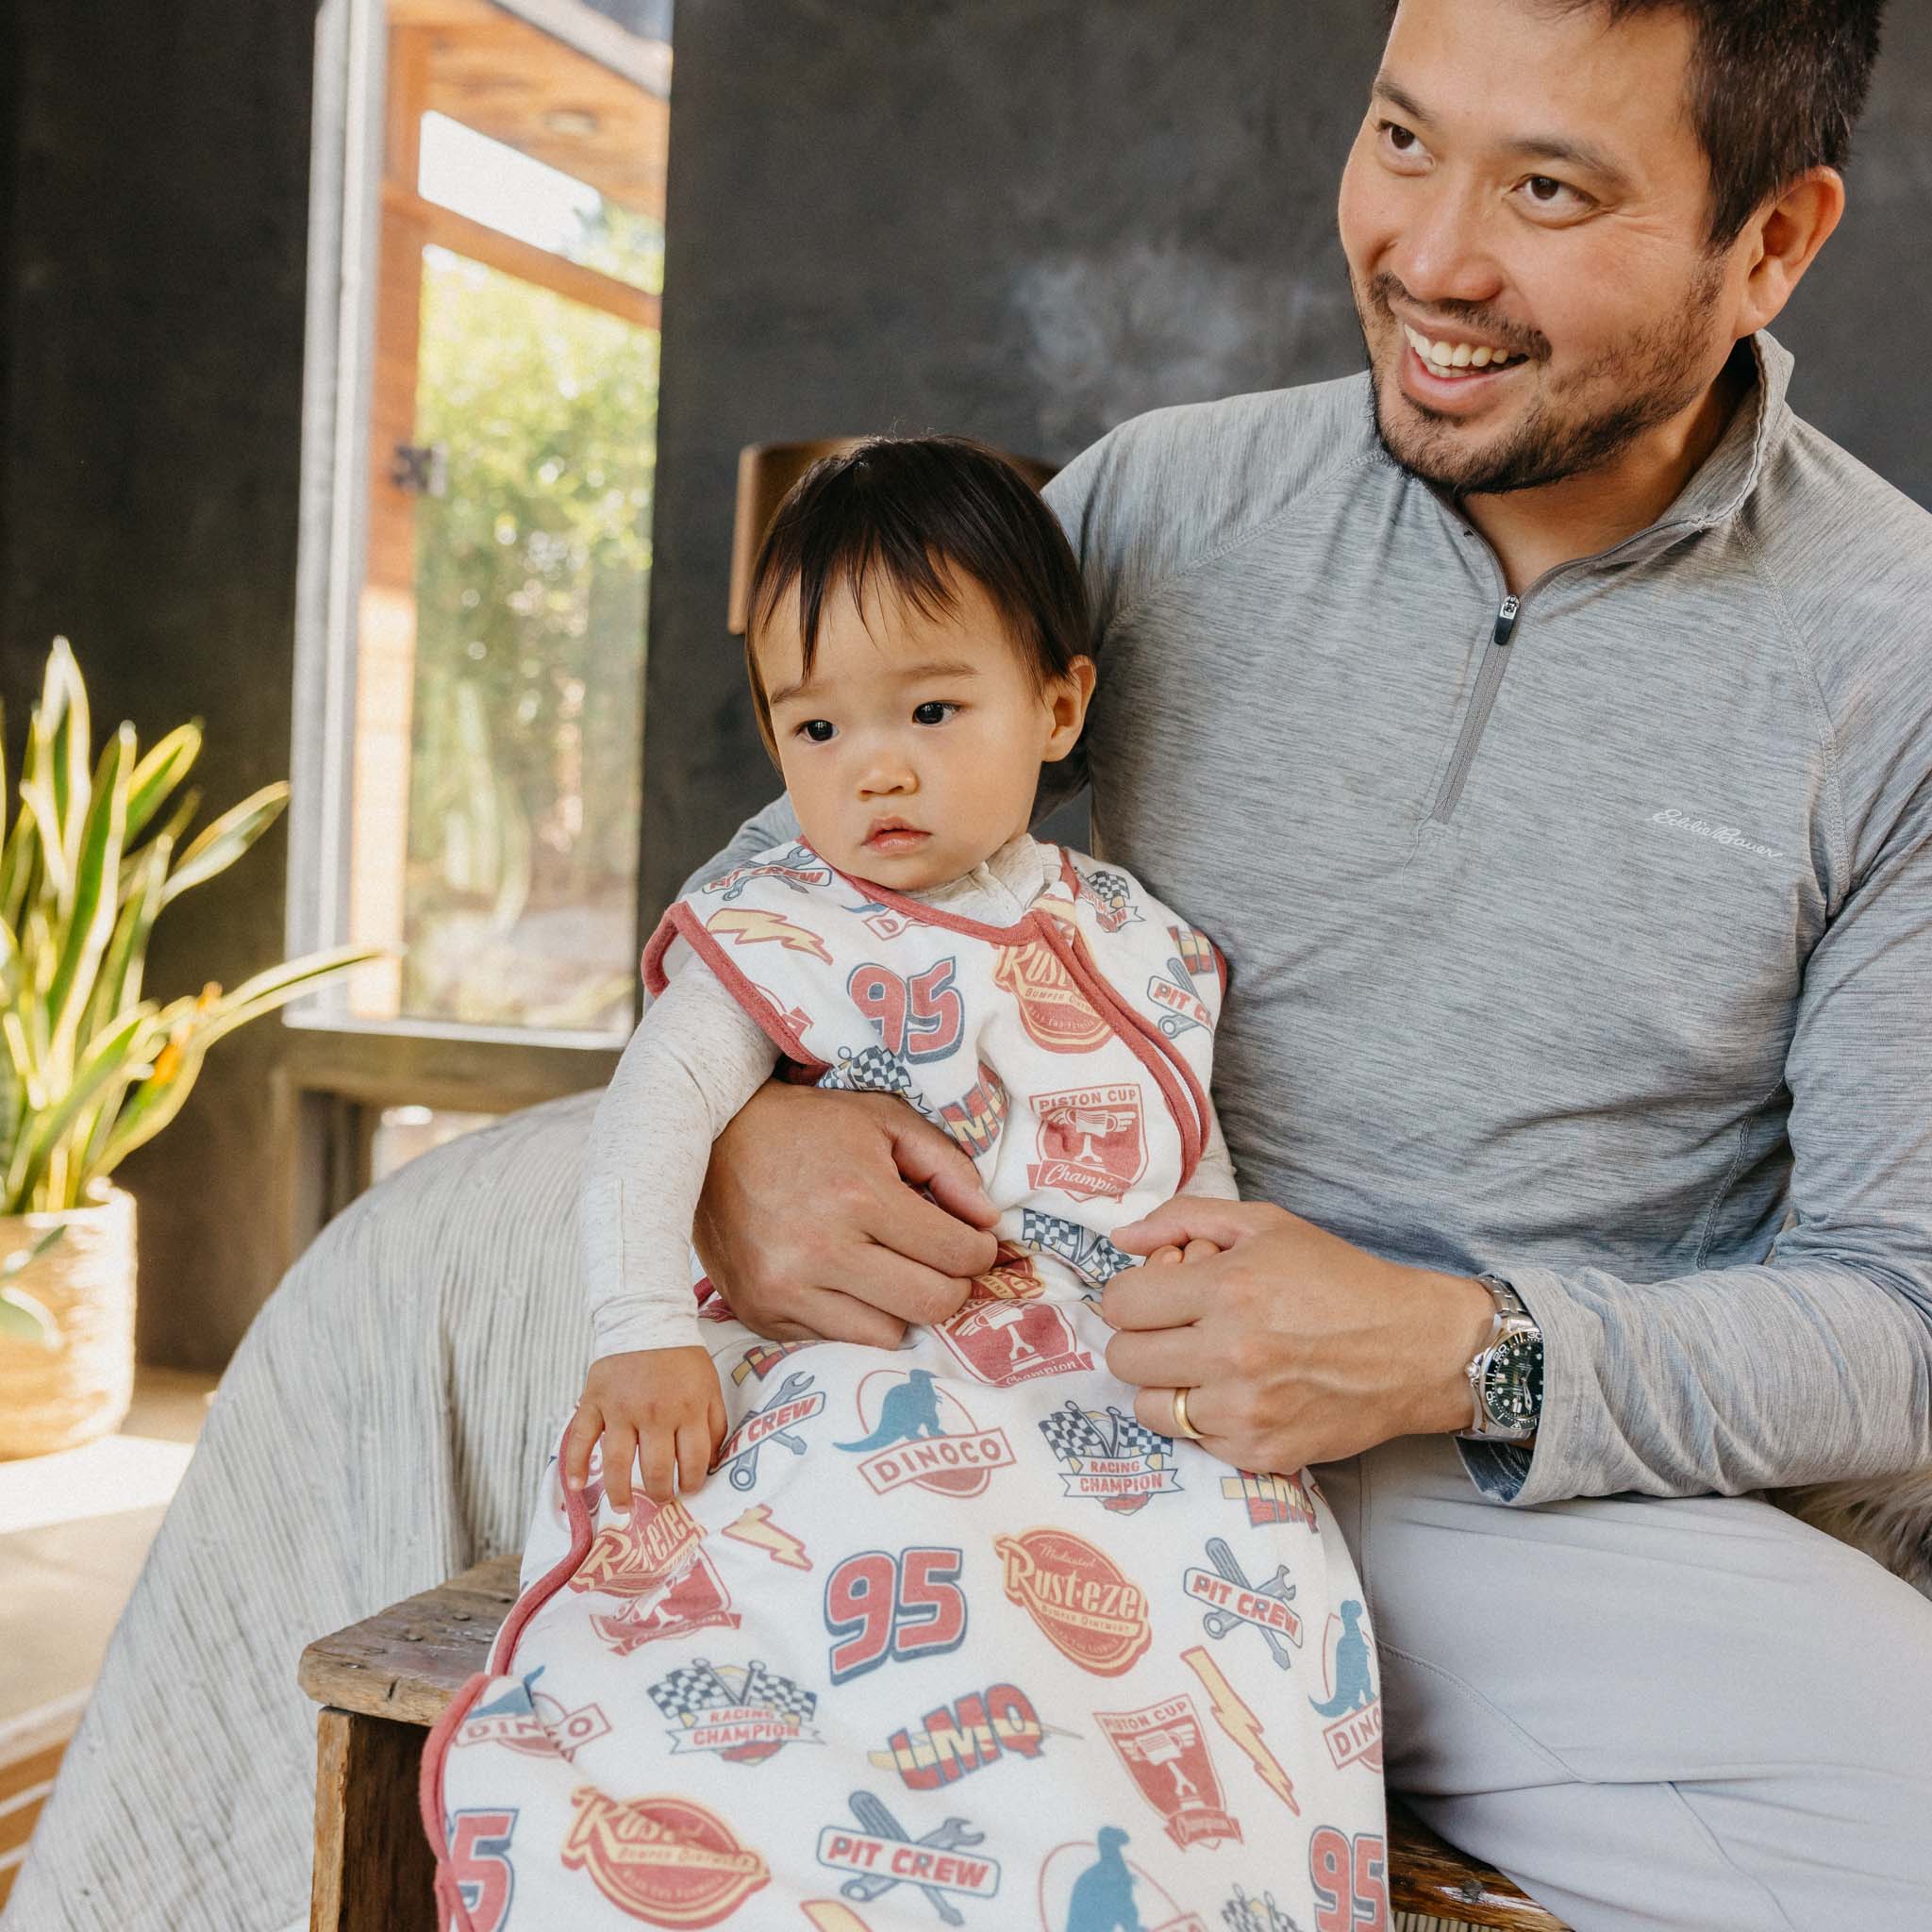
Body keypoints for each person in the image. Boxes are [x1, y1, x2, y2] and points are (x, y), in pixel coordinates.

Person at [677, 2, 1932, 1927]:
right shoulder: (1158, 504)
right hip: (1036, 1392)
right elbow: (779, 890)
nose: (1431, 258)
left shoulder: (1895, 658)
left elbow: (1900, 1319)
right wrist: (744, 1144)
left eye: (1548, 190)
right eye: (1403, 138)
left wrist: (1453, 1348)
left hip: (1503, 1510)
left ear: (1769, 242)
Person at [422, 438, 1387, 1931]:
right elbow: (649, 1118)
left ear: (1057, 706)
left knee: (1233, 1584)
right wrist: (639, 1328)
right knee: (893, 1571)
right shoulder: (779, 922)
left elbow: (1182, 1151)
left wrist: (1210, 1283)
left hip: (1107, 1385)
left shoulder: (1133, 936)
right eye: (815, 727)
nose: (874, 766)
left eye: (933, 710)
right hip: (872, 1353)